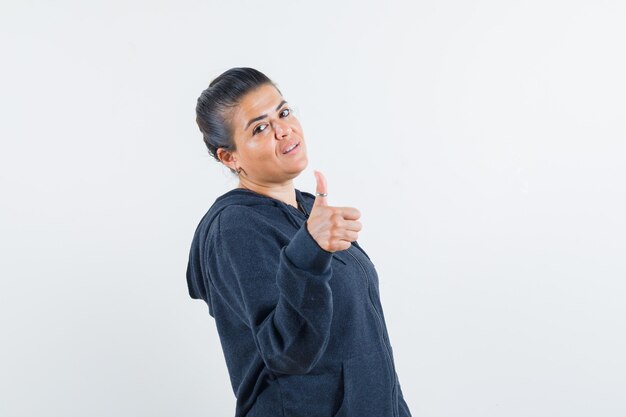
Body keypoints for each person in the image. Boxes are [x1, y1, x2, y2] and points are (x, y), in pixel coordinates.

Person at [186, 67, 412, 417]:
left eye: (284, 112)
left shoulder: (308, 209)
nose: (283, 130)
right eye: (260, 128)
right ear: (230, 157)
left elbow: (364, 342)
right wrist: (309, 250)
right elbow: (289, 351)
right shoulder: (235, 228)